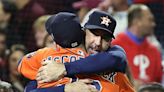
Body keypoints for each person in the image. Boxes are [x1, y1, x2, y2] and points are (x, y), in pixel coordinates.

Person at [33, 11, 135, 92]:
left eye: (105, 38)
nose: (98, 43)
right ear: (84, 31)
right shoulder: (53, 60)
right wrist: (66, 89)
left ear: (110, 41)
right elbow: (30, 89)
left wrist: (64, 68)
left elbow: (116, 59)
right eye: (95, 34)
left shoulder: (113, 65)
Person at [112, 4, 163, 89]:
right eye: (150, 20)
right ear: (137, 22)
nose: (153, 24)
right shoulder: (115, 46)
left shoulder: (154, 50)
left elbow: (158, 82)